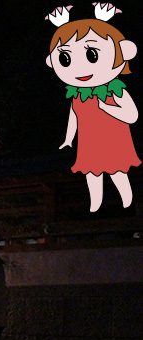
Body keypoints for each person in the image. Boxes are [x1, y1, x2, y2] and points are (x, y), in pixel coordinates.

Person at [46, 7, 139, 212]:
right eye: (66, 58)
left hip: (114, 139)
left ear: (123, 52)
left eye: (91, 54)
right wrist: (69, 138)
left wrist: (109, 108)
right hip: (89, 142)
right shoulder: (78, 94)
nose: (80, 68)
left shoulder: (115, 90)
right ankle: (95, 204)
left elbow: (132, 115)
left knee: (118, 172)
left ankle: (126, 201)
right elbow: (74, 115)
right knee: (92, 174)